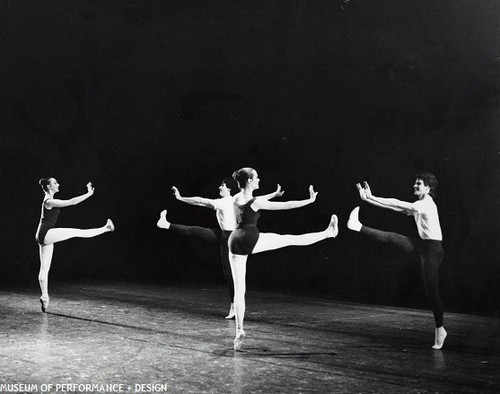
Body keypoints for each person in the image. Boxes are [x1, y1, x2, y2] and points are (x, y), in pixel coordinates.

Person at [228, 167, 339, 351]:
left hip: (234, 241)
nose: (259, 179)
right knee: (289, 239)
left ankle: (239, 330)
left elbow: (258, 199)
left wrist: (274, 194)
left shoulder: (236, 198)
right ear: (249, 181)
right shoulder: (255, 202)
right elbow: (286, 205)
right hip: (250, 238)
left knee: (239, 289)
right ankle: (328, 233)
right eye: (256, 177)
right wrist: (309, 200)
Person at [156, 177, 284, 319]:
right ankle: (166, 224)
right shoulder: (237, 199)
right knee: (197, 230)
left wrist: (180, 198)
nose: (219, 188)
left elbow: (200, 200)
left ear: (229, 188)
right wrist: (274, 194)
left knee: (228, 273)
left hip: (229, 238)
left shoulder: (224, 202)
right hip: (224, 235)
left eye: (222, 186)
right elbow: (258, 198)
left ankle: (234, 306)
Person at [347, 172, 446, 350]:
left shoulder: (425, 205)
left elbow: (397, 203)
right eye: (415, 183)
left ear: (428, 188)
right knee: (393, 237)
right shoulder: (418, 204)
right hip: (423, 246)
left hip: (432, 251)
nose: (415, 186)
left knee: (432, 292)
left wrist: (372, 196)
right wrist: (368, 199)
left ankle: (440, 329)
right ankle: (357, 226)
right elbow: (396, 208)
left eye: (419, 184)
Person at [35, 178, 115, 312]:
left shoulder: (47, 200)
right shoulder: (49, 201)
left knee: (44, 268)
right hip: (45, 233)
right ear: (49, 186)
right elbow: (71, 202)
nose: (58, 184)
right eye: (55, 183)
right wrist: (89, 194)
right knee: (77, 232)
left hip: (42, 234)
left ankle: (45, 297)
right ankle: (106, 228)